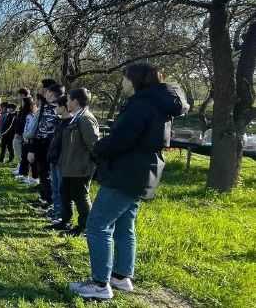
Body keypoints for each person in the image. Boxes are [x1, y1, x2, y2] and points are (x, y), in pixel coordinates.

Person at [69, 62, 188, 299]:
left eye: (124, 78)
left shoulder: (141, 104)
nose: (122, 83)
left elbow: (122, 139)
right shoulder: (159, 103)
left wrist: (99, 148)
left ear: (134, 80)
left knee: (98, 224)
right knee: (125, 225)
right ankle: (121, 277)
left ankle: (100, 285)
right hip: (143, 172)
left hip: (126, 172)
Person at [53, 88, 100, 236]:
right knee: (65, 194)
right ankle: (65, 221)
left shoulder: (86, 118)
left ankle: (84, 227)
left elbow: (93, 144)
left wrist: (90, 165)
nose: (67, 103)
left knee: (81, 197)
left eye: (68, 100)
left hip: (80, 167)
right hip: (69, 166)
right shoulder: (76, 117)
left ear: (75, 101)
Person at [29, 82, 63, 208]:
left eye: (47, 91)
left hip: (49, 146)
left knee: (47, 174)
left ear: (52, 94)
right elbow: (39, 128)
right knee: (43, 173)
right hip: (41, 144)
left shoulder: (59, 109)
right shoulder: (46, 106)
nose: (45, 93)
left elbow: (50, 132)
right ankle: (44, 197)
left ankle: (49, 202)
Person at [45, 95, 71, 225]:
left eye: (57, 106)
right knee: (54, 188)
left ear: (64, 107)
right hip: (54, 159)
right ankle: (56, 210)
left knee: (61, 190)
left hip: (62, 162)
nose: (55, 109)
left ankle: (61, 214)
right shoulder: (59, 121)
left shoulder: (70, 123)